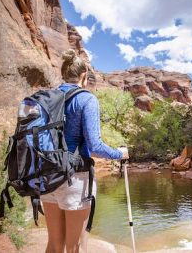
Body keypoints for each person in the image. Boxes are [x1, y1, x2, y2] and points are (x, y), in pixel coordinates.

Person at [40, 49, 129, 253]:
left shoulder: (47, 98)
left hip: (46, 176)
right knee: (74, 246)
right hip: (75, 179)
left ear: (63, 74)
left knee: (54, 244)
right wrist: (120, 153)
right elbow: (95, 146)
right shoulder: (86, 99)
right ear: (83, 76)